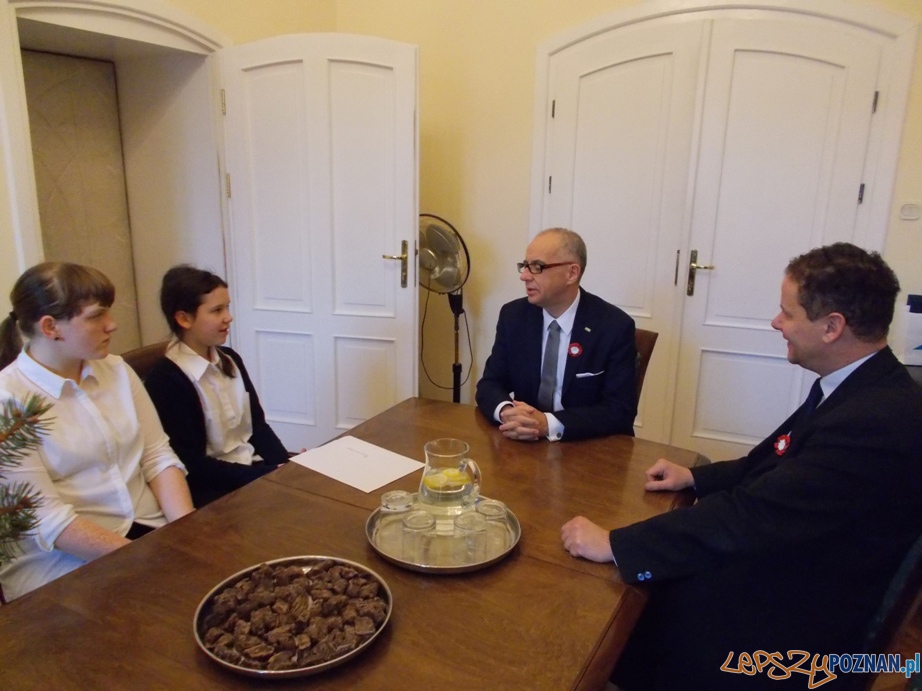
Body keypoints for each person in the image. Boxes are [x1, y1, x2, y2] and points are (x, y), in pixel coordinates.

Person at [560, 243, 922, 690]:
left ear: (832, 327)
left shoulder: (872, 423)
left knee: (610, 615)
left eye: (787, 312)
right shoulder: (863, 386)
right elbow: (771, 462)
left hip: (795, 633)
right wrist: (695, 476)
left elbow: (748, 515)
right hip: (796, 567)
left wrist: (616, 544)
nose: (776, 323)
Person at [0, 262, 194, 601]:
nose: (112, 324)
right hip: (63, 564)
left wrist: (188, 533)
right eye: (96, 316)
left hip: (149, 532)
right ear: (50, 327)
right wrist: (148, 560)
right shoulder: (8, 402)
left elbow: (157, 456)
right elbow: (48, 521)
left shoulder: (116, 370)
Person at [144, 265, 289, 507]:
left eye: (227, 307)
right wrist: (267, 475)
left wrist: (286, 467)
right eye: (216, 310)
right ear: (184, 319)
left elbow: (258, 426)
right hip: (213, 490)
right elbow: (193, 465)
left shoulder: (230, 359)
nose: (228, 317)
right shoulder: (166, 380)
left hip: (252, 472)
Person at [475, 228, 637, 441]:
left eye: (537, 267)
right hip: (525, 443)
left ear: (571, 273)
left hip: (586, 445)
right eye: (525, 266)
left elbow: (619, 411)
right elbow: (490, 384)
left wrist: (548, 424)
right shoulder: (514, 316)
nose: (524, 276)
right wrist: (507, 412)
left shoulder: (614, 326)